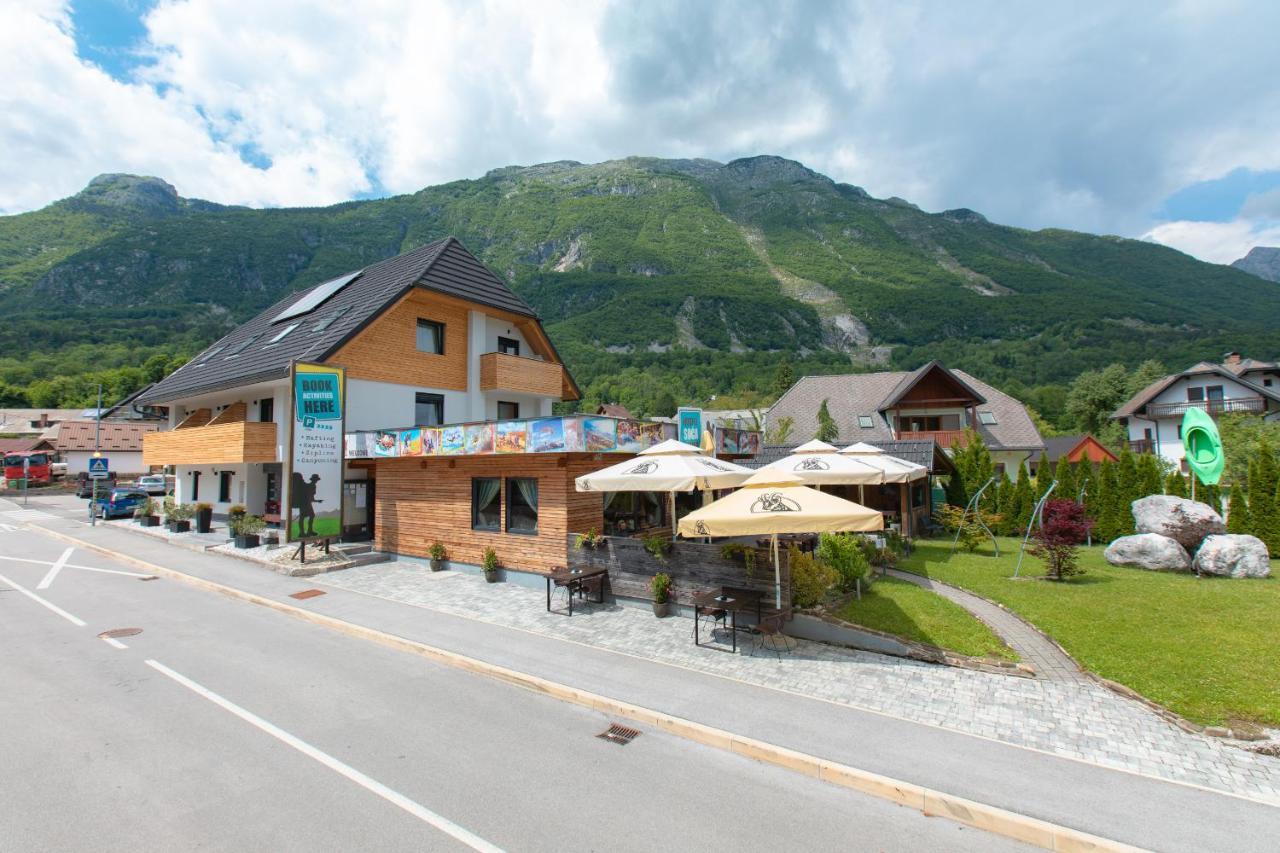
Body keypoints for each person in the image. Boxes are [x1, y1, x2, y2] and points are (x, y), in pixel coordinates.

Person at [291, 472, 324, 537]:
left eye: (316, 480)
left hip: (307, 504)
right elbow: (309, 497)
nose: (316, 481)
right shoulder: (308, 486)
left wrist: (317, 501)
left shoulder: (312, 486)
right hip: (304, 504)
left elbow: (311, 498)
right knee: (303, 517)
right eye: (316, 479)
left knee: (311, 516)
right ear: (313, 480)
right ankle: (302, 533)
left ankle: (309, 531)